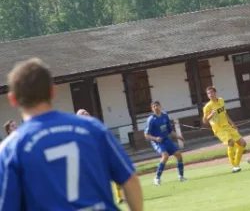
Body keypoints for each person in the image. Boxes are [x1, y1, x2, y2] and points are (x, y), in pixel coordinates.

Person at [0, 58, 143, 211]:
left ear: (13, 99)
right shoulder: (93, 128)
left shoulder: (9, 150)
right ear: (52, 91)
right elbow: (130, 180)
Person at [76, 109, 126, 205]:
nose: (86, 113)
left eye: (86, 112)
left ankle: (119, 196)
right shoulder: (78, 130)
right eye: (83, 113)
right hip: (89, 159)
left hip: (101, 156)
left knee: (115, 173)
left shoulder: (96, 126)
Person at [203, 86, 246, 173]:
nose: (210, 94)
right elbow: (204, 120)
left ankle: (236, 164)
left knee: (243, 143)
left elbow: (225, 114)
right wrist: (211, 114)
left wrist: (232, 124)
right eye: (208, 93)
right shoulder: (207, 106)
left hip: (227, 126)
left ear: (215, 93)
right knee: (230, 142)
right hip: (218, 129)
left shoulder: (221, 100)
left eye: (211, 92)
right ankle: (234, 166)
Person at [144, 101, 186, 186]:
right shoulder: (151, 120)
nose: (156, 107)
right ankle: (157, 178)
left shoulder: (165, 116)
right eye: (154, 106)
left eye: (157, 105)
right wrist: (155, 138)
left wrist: (178, 137)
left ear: (160, 106)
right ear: (152, 109)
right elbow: (146, 135)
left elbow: (169, 131)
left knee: (178, 154)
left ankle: (181, 177)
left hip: (166, 139)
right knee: (165, 156)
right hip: (157, 142)